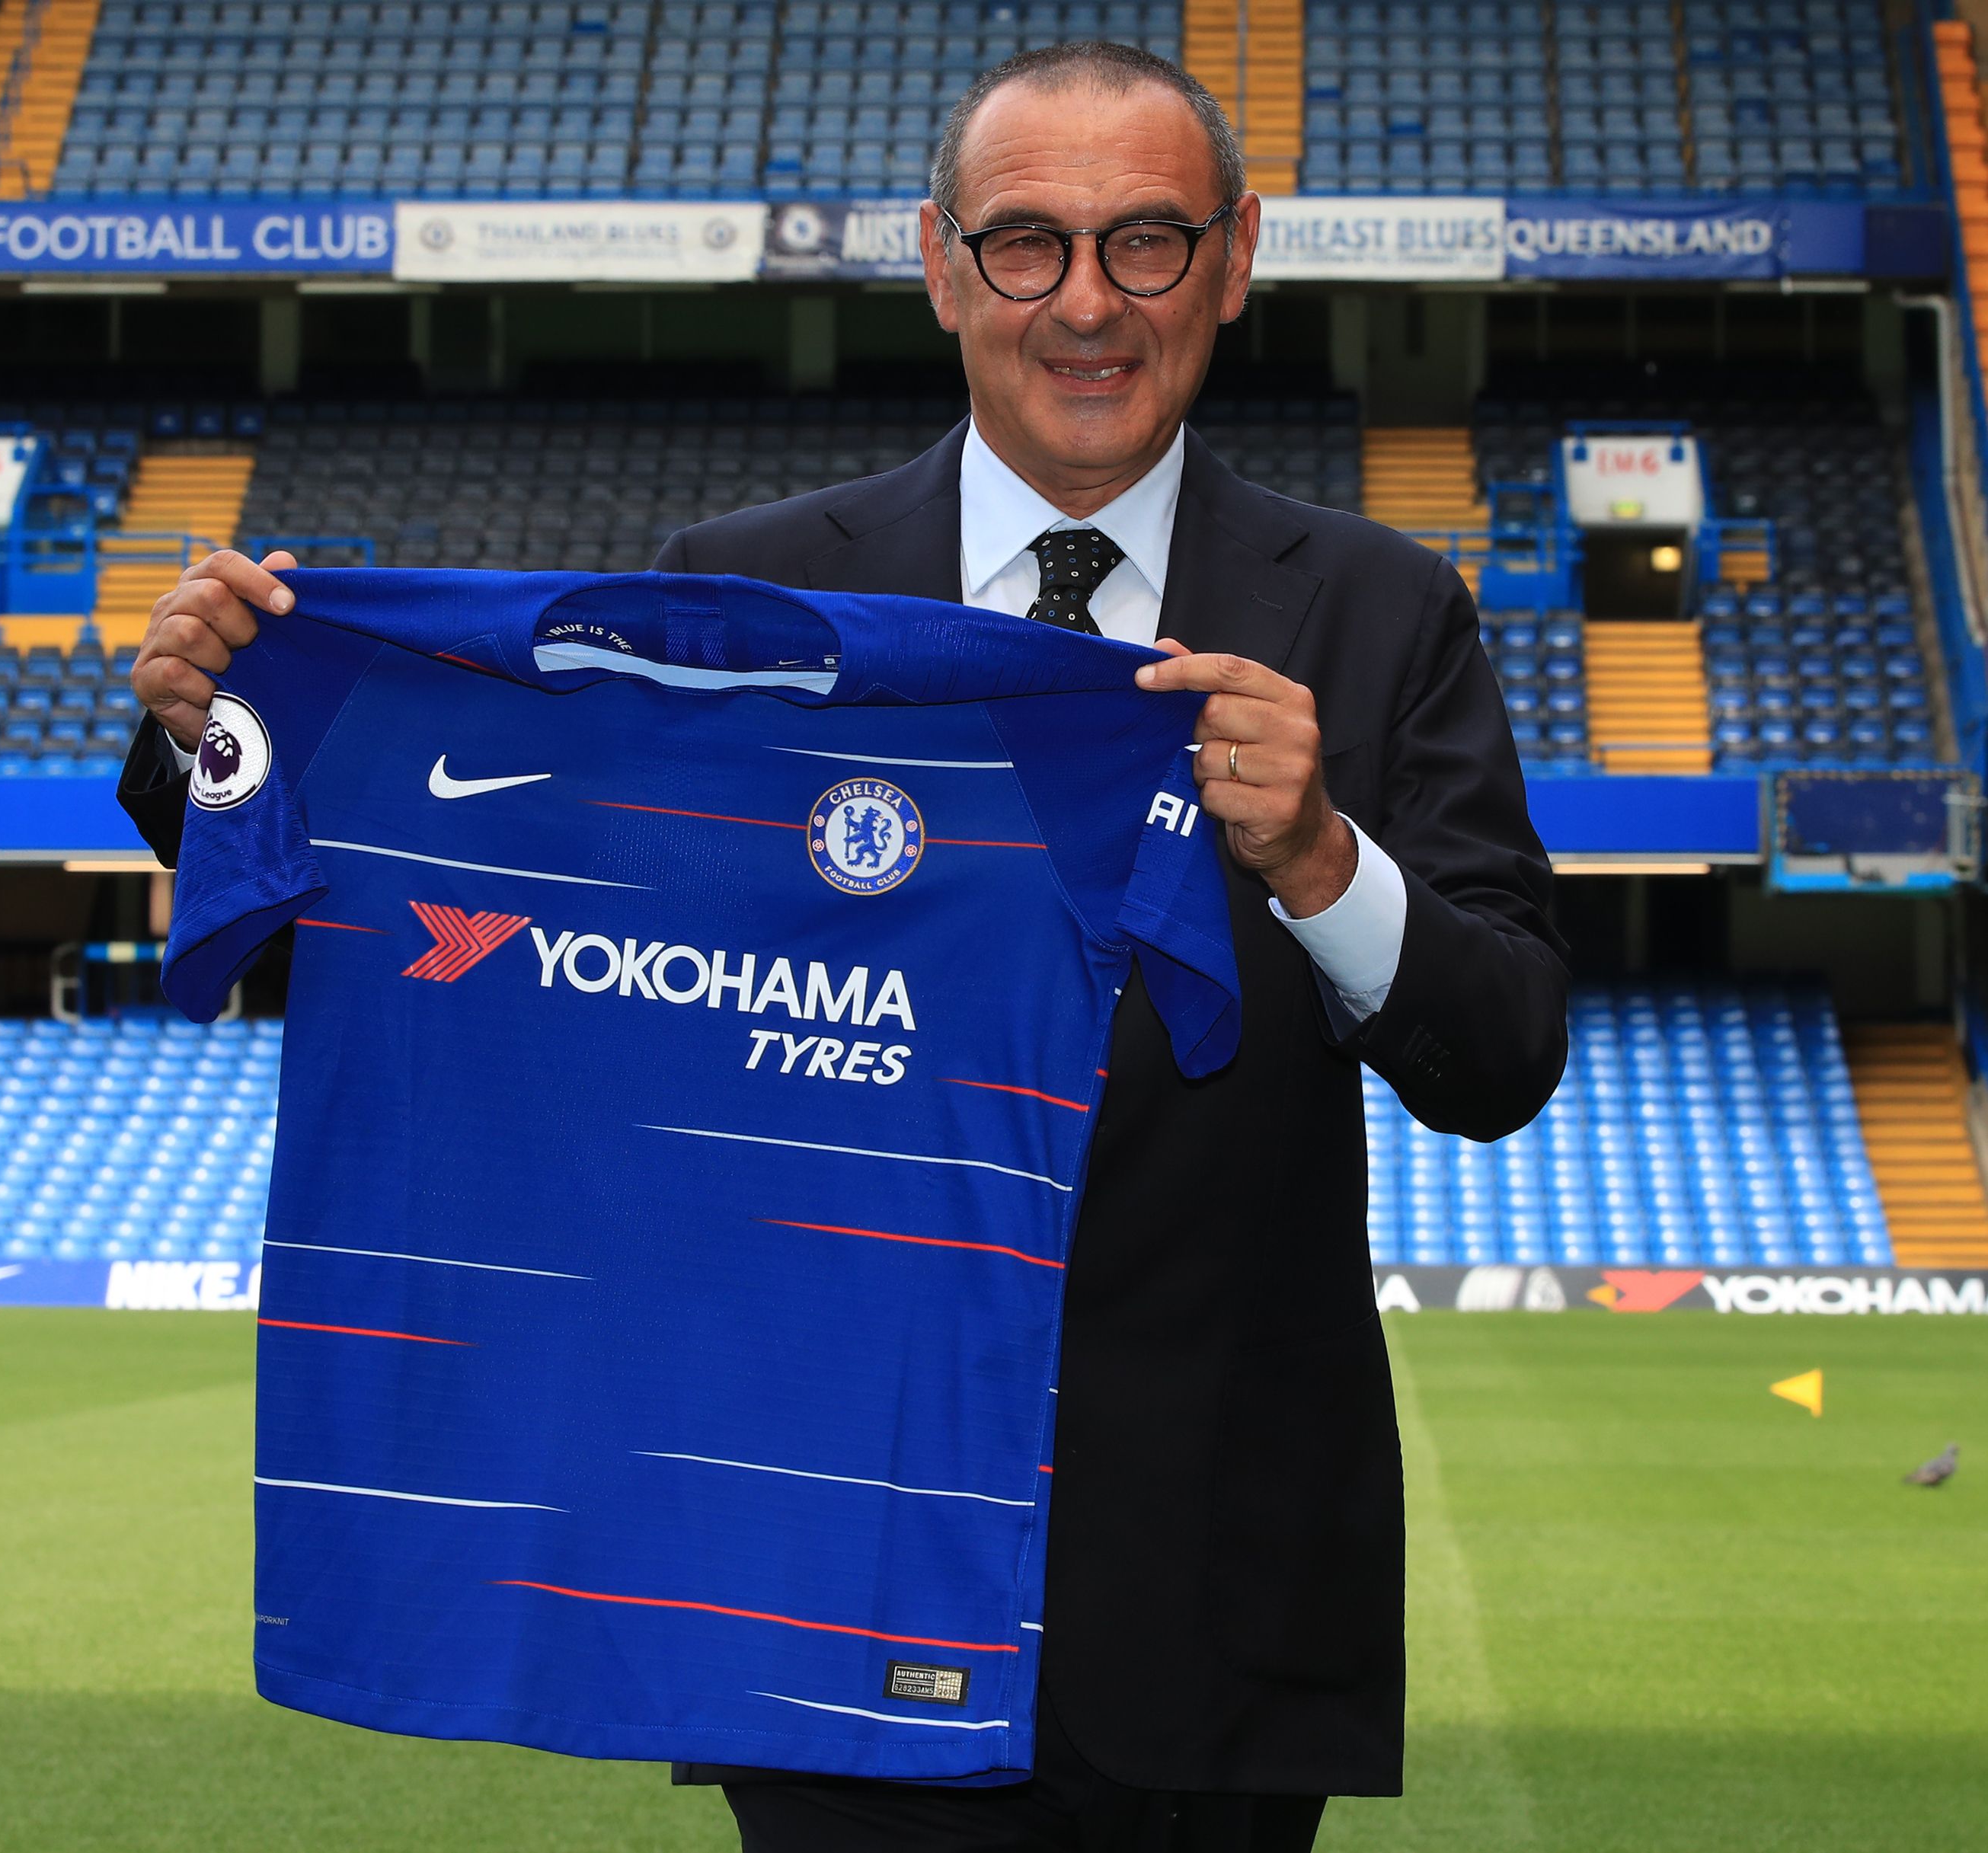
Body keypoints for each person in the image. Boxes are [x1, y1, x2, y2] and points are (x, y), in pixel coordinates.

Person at [116, 40, 1567, 1853]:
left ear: (1235, 258)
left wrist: (1322, 858)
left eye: (1145, 240)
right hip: (810, 1565)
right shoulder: (746, 588)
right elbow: (505, 927)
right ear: (942, 263)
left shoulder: (1377, 611)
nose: (1087, 303)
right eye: (1027, 243)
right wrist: (215, 742)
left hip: (1206, 1598)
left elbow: (1503, 1053)